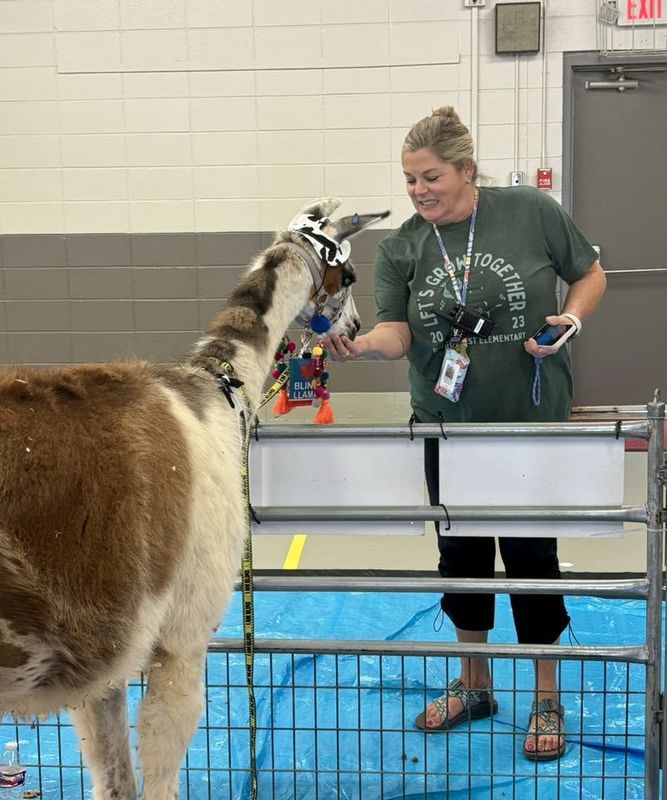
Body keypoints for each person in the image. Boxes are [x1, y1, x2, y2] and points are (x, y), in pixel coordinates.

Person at [324, 106, 606, 761]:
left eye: (430, 178)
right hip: (447, 427)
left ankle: (545, 694)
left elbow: (590, 273)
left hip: (527, 424)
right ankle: (474, 684)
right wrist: (363, 345)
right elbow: (399, 336)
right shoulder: (401, 248)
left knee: (532, 561)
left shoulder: (530, 213)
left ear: (465, 171)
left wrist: (569, 319)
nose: (419, 191)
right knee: (463, 559)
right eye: (408, 180)